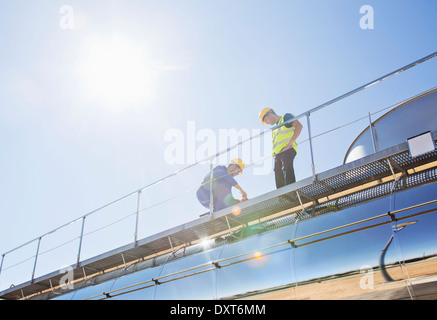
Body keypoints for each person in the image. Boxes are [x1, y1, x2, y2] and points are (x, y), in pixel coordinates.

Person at [259, 107, 303, 189]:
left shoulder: (285, 117)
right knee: (277, 171)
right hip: (278, 154)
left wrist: (290, 143)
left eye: (266, 120)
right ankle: (282, 196)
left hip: (287, 149)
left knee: (286, 165)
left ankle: (291, 191)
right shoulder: (274, 129)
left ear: (270, 114)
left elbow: (299, 126)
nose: (267, 123)